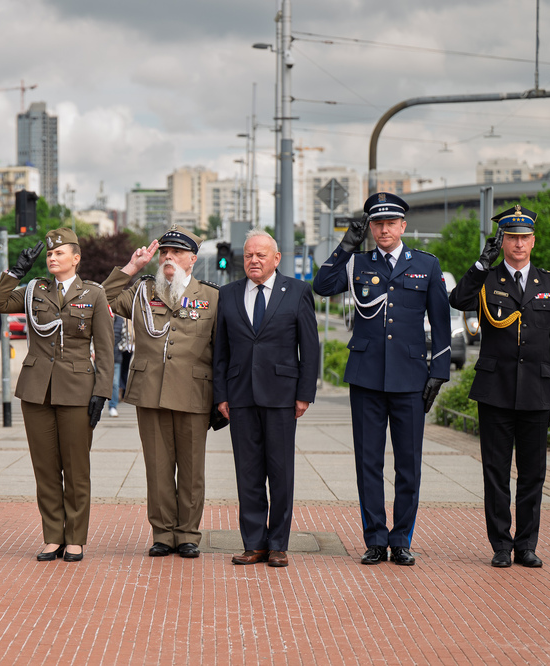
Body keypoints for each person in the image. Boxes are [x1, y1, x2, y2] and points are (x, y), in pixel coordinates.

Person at [313, 192, 450, 567]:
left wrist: (438, 373)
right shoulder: (357, 263)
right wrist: (344, 246)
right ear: (370, 228)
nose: (384, 229)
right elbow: (321, 285)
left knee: (409, 464)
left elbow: (441, 324)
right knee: (368, 462)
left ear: (403, 226)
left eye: (391, 223)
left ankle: (401, 539)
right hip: (367, 377)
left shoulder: (425, 265)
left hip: (409, 378)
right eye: (377, 223)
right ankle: (375, 539)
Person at [449, 205, 550, 569]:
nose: (518, 243)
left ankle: (526, 545)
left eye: (524, 237)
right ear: (502, 242)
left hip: (537, 390)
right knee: (496, 472)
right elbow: (458, 300)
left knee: (533, 474)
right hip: (495, 390)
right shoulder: (487, 279)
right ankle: (501, 545)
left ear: (533, 241)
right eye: (511, 237)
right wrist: (480, 264)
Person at [0, 228, 113, 562]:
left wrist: (102, 392)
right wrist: (15, 273)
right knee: (45, 468)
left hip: (76, 389)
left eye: (60, 253)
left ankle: (76, 538)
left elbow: (105, 347)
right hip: (37, 389)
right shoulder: (33, 290)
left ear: (76, 258)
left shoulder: (94, 294)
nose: (53, 258)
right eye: (50, 254)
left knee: (76, 468)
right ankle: (53, 536)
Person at [102, 225, 219, 558]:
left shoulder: (211, 297)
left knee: (192, 470)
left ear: (192, 259)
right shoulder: (142, 290)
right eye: (165, 252)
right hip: (150, 391)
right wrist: (132, 268)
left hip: (194, 392)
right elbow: (102, 298)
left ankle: (188, 534)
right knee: (157, 467)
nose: (169, 257)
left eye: (177, 252)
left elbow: (222, 349)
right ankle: (163, 534)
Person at [213, 230, 319, 568]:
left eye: (261, 255)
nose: (254, 261)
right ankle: (254, 543)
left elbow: (310, 347)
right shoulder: (227, 294)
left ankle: (278, 544)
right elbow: (220, 351)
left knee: (280, 470)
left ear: (276, 258)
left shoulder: (298, 291)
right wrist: (221, 395)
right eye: (248, 255)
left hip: (282, 396)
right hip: (240, 395)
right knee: (248, 472)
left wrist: (304, 394)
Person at [108, 314, 126, 417]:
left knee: (115, 383)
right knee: (97, 382)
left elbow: (125, 338)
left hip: (116, 357)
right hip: (101, 357)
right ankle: (98, 406)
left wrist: (119, 349)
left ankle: (113, 406)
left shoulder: (120, 321)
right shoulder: (100, 316)